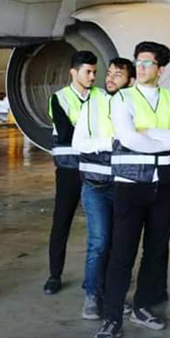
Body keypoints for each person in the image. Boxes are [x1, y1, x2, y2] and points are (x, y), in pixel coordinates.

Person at [92, 41, 170, 338]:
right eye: (139, 61)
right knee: (122, 252)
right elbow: (129, 139)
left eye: (148, 62)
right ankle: (112, 317)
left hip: (166, 185)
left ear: (161, 69)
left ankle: (142, 307)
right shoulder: (123, 98)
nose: (141, 66)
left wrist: (149, 133)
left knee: (156, 251)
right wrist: (167, 138)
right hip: (131, 184)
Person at [72, 57, 134, 320]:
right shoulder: (92, 104)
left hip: (125, 186)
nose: (109, 78)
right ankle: (92, 295)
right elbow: (78, 143)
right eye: (108, 73)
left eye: (117, 75)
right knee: (98, 242)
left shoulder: (134, 105)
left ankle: (114, 296)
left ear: (130, 81)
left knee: (120, 245)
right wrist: (110, 142)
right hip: (95, 185)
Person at [44, 51, 101, 295]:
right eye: (88, 72)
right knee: (62, 221)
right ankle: (54, 275)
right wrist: (93, 131)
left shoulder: (101, 96)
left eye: (94, 72)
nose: (92, 77)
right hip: (69, 169)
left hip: (95, 168)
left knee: (99, 225)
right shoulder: (58, 98)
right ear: (73, 72)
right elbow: (66, 133)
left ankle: (99, 274)